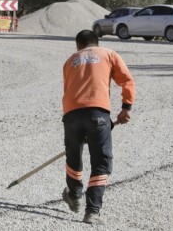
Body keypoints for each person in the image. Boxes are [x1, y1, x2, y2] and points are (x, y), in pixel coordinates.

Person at [61, 30, 135, 225]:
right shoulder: (108, 54)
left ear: (78, 46)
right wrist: (126, 108)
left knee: (73, 157)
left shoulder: (70, 61)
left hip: (71, 114)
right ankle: (92, 211)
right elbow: (127, 80)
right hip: (98, 114)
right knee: (101, 162)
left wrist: (79, 124)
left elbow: (69, 89)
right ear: (97, 43)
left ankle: (75, 197)